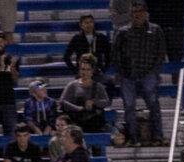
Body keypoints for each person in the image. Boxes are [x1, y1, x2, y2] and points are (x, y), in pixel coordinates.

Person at [112, 1, 166, 145]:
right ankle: (133, 137)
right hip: (128, 75)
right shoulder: (122, 32)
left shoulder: (156, 30)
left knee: (153, 104)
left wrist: (154, 71)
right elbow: (115, 54)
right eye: (134, 12)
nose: (137, 15)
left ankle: (158, 136)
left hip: (148, 73)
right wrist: (121, 72)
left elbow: (160, 53)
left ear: (146, 13)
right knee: (129, 107)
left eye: (140, 12)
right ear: (131, 14)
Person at [61, 55, 110, 132]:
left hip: (94, 122)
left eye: (88, 69)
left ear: (92, 71)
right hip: (76, 121)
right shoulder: (72, 85)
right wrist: (78, 108)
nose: (85, 72)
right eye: (83, 69)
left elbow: (106, 102)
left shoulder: (98, 86)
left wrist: (94, 102)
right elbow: (63, 101)